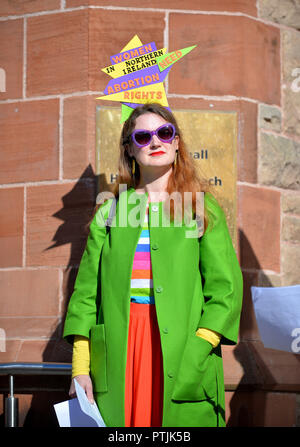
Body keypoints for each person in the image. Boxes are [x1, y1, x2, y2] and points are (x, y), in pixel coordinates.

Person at [63, 102, 243, 427]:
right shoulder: (110, 212)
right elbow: (85, 298)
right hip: (119, 355)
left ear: (176, 142)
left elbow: (225, 291)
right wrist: (80, 368)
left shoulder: (201, 208)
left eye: (164, 132)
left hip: (182, 349)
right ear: (130, 149)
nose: (155, 142)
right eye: (143, 137)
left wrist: (200, 344)